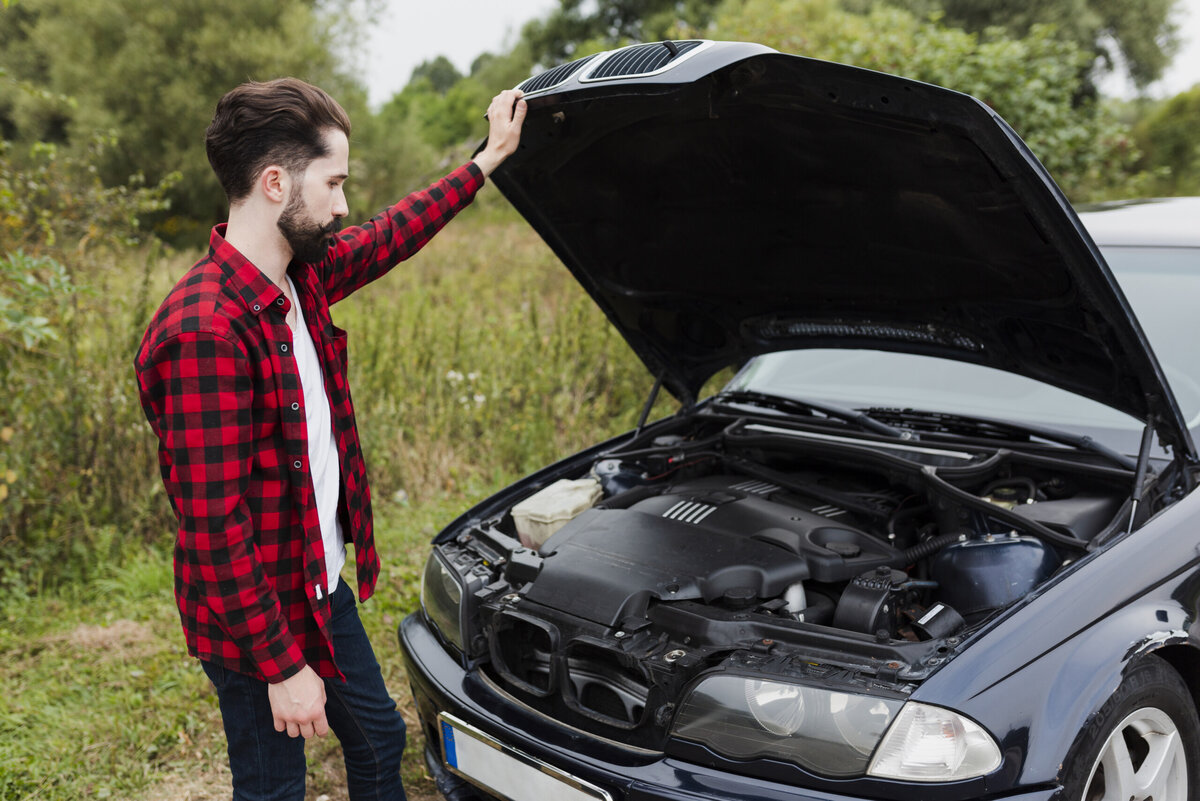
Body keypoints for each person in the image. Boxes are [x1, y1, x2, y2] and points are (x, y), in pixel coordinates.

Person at [134, 77, 526, 800]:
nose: (345, 206)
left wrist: (486, 160)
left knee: (379, 737)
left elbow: (390, 235)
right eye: (335, 183)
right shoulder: (204, 331)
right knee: (274, 786)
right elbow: (214, 528)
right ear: (276, 182)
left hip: (317, 581)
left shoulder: (297, 279)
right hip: (251, 617)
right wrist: (283, 669)